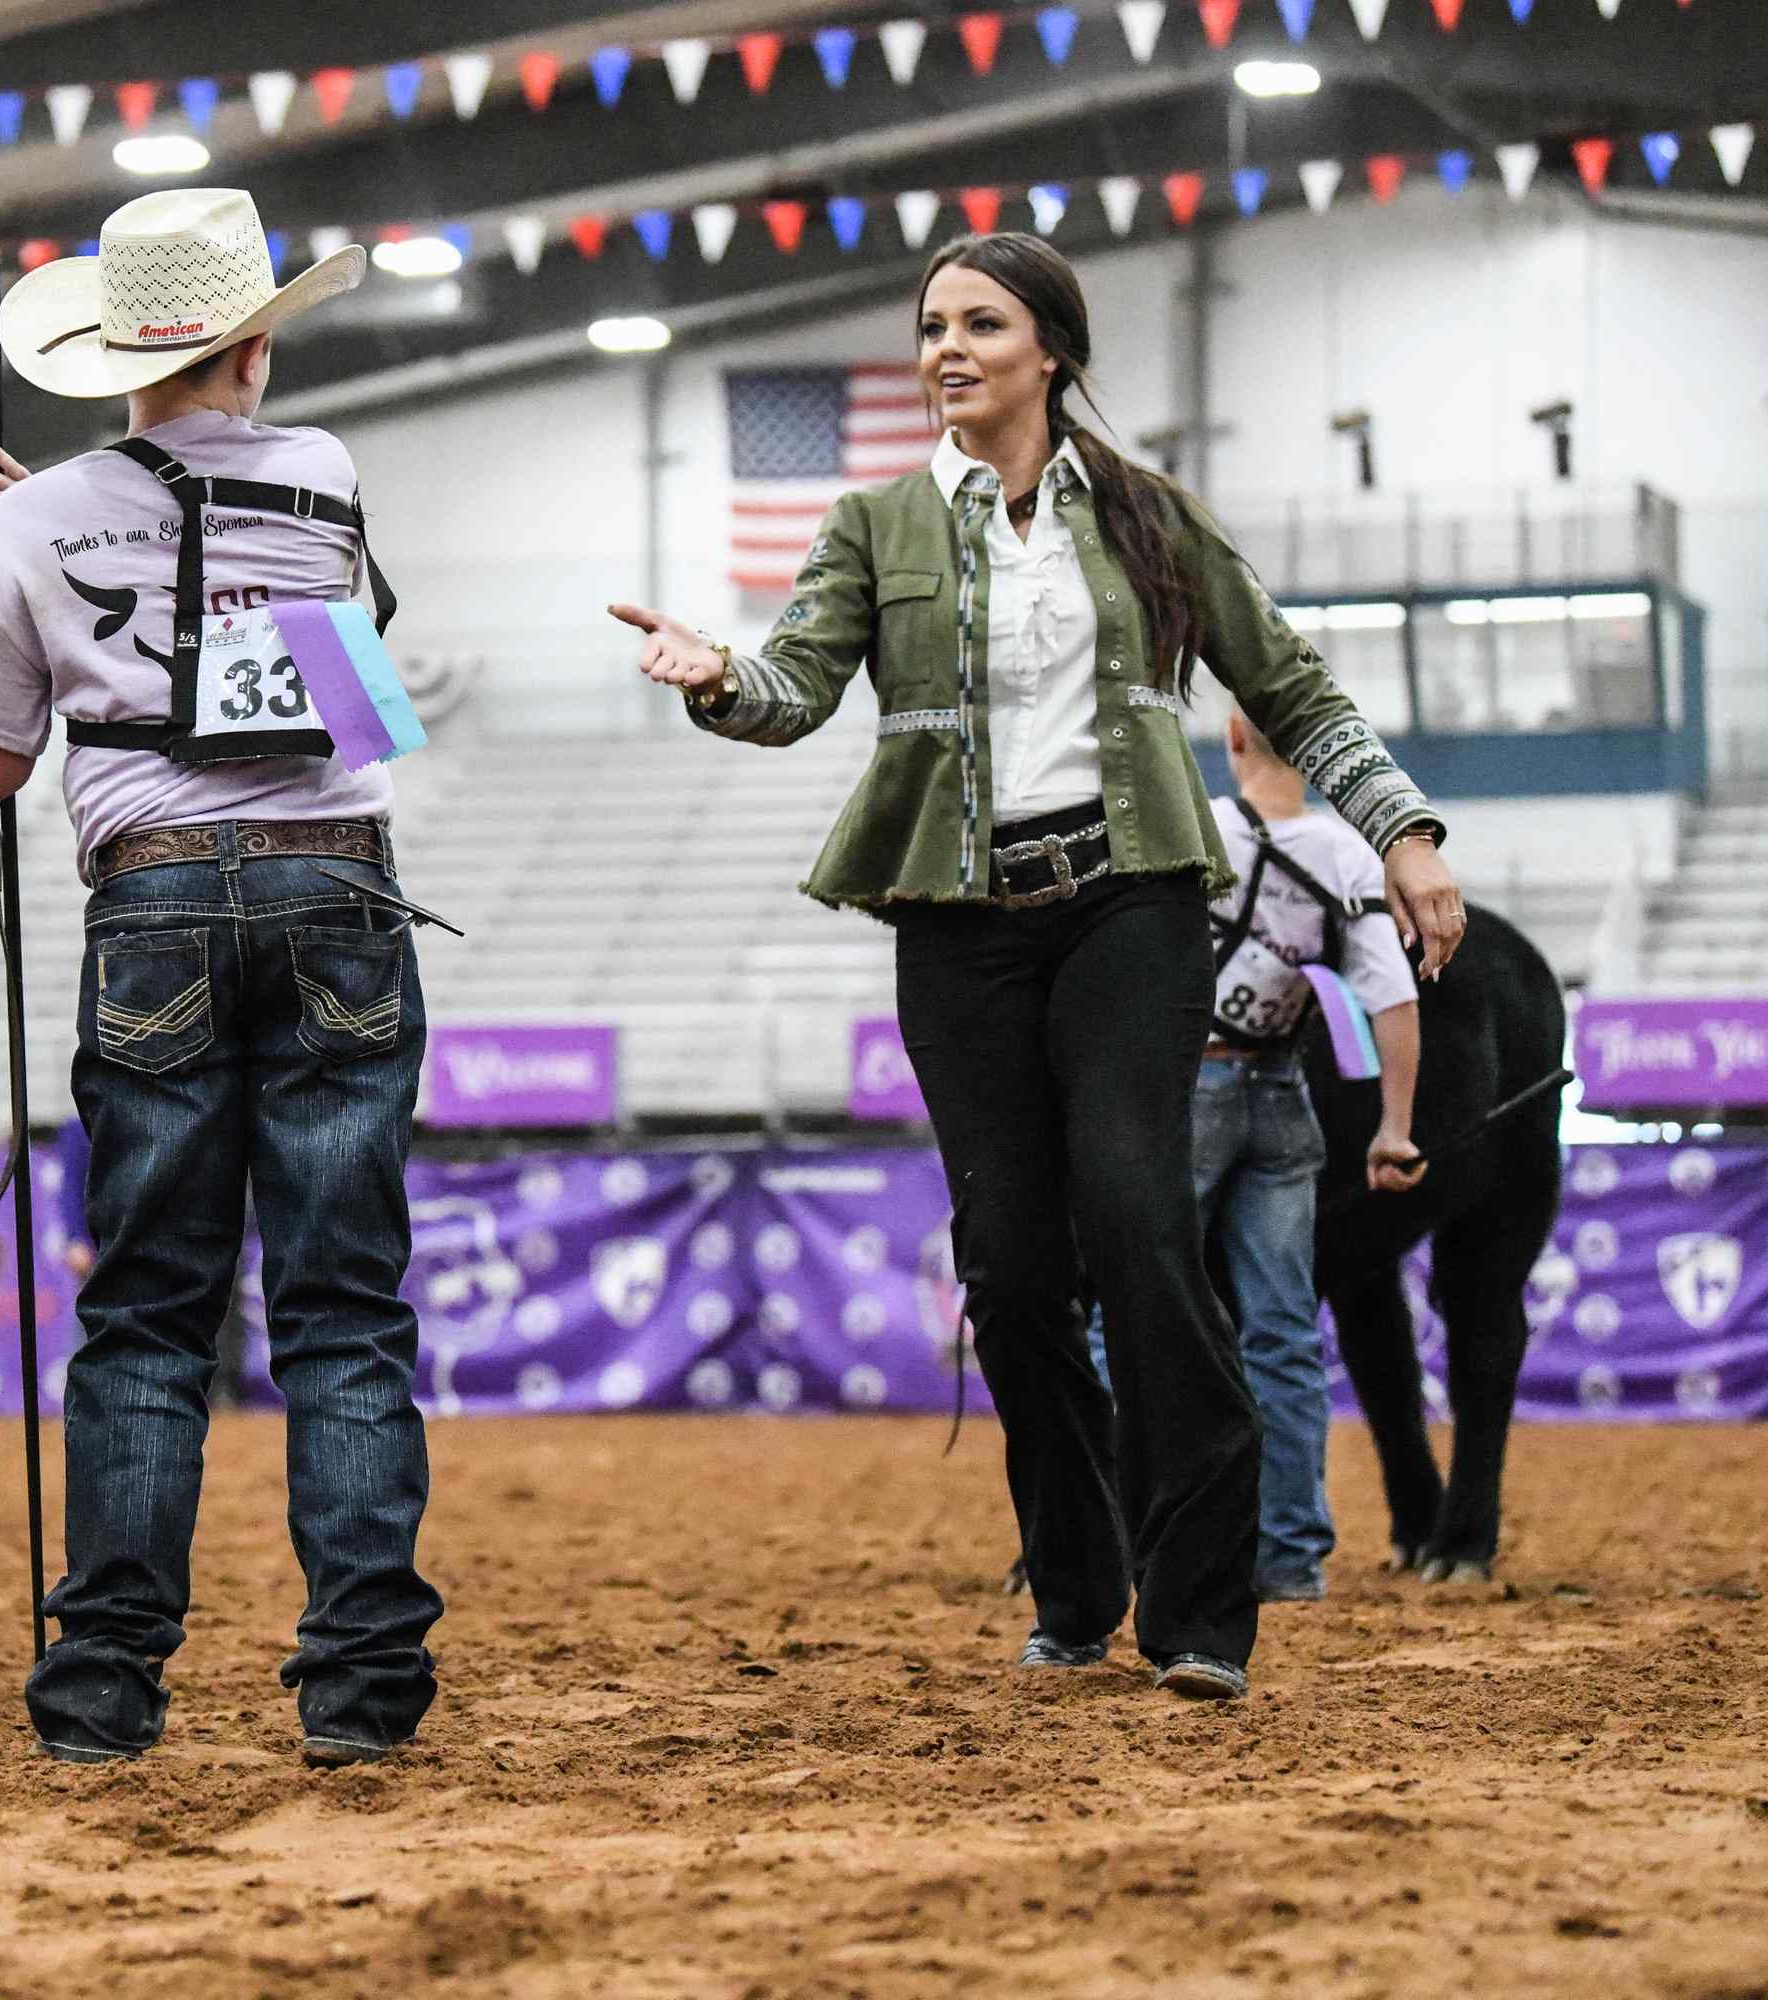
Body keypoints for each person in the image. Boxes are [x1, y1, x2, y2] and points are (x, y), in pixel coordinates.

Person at [608, 231, 1466, 1702]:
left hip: (1129, 907)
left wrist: (1403, 833)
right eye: (932, 325)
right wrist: (717, 679)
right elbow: (795, 689)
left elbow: (1293, 688)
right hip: (957, 930)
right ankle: (1077, 1583)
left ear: (1050, 352)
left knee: (1141, 1223)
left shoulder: (1149, 519)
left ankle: (1202, 1605)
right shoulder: (874, 526)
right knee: (1010, 1273)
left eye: (980, 325)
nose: (947, 348)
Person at [0, 187, 440, 1766]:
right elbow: (363, 719)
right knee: (345, 1309)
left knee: (149, 1312)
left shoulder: (34, 516)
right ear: (256, 346)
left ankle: (104, 1681)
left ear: (116, 355)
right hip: (338, 890)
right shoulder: (327, 475)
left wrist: (34, 542)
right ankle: (361, 1678)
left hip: (149, 905)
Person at [1085, 710, 1429, 1605]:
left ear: (1234, 737)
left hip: (1181, 1095)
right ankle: (1290, 1559)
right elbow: (1391, 1000)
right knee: (1281, 1337)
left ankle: (1108, 1540)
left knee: (1121, 1321)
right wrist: (1394, 1127)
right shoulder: (1351, 858)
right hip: (1283, 1097)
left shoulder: (1190, 823)